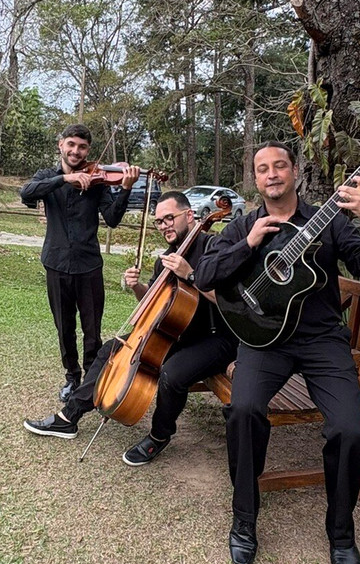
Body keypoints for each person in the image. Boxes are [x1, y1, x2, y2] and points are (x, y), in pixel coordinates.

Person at [193, 141, 360, 564]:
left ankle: (341, 534)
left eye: (279, 165)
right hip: (264, 341)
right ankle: (244, 517)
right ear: (256, 177)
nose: (271, 174)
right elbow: (205, 275)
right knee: (243, 411)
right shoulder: (244, 225)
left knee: (350, 429)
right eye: (262, 168)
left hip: (322, 341)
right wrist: (247, 244)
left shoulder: (328, 222)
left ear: (295, 172)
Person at [23, 192, 238, 464]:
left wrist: (191, 275)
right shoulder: (165, 259)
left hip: (215, 337)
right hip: (174, 333)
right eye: (159, 221)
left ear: (190, 216)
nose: (164, 226)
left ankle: (159, 436)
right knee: (111, 351)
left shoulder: (213, 247)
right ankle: (69, 417)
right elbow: (152, 303)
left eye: (169, 218)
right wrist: (138, 287)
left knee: (172, 374)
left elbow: (230, 301)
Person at [20, 124, 139, 402]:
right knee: (64, 327)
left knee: (92, 330)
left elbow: (111, 218)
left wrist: (125, 190)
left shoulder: (97, 179)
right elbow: (26, 193)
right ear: (61, 144)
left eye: (82, 147)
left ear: (88, 150)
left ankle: (92, 380)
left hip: (89, 266)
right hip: (56, 263)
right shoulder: (48, 177)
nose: (76, 151)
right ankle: (71, 378)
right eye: (71, 144)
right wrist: (66, 180)